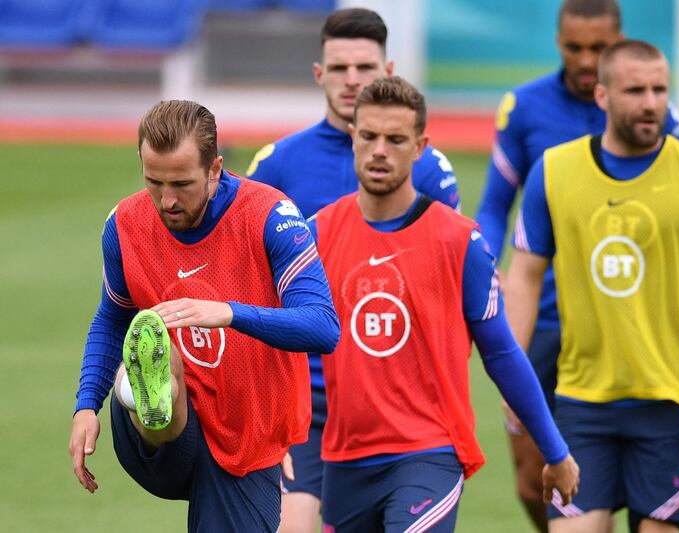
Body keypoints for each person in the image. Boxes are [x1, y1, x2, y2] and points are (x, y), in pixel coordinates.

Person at [309, 75, 578, 533]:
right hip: (344, 458)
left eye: (396, 139)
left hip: (429, 452)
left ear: (419, 147)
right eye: (369, 136)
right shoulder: (318, 234)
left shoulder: (459, 241)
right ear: (352, 138)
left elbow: (502, 352)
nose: (379, 150)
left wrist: (555, 451)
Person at [68, 100, 340, 532]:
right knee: (160, 354)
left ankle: (143, 388)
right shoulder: (124, 224)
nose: (167, 199)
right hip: (167, 440)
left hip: (245, 437)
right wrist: (86, 405)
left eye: (182, 183)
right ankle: (143, 394)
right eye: (153, 181)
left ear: (215, 170)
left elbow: (323, 325)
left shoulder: (270, 216)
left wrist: (229, 313)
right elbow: (112, 317)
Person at [506, 40, 679, 532]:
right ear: (603, 96)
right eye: (635, 90)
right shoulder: (552, 172)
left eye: (659, 89)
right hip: (581, 400)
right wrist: (514, 371)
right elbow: (525, 277)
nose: (651, 102)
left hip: (670, 406)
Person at [245, 8, 460, 532]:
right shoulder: (277, 165)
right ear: (320, 73)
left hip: (391, 406)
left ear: (386, 71)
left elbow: (448, 294)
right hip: (305, 403)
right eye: (339, 68)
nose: (352, 80)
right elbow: (251, 283)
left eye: (364, 67)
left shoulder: (428, 171)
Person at [472, 2, 679, 528]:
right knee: (530, 479)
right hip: (541, 319)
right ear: (558, 40)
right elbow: (497, 204)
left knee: (631, 476)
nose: (587, 59)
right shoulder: (525, 107)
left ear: (619, 40)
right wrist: (482, 264)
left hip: (620, 322)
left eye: (599, 47)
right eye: (574, 47)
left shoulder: (647, 111)